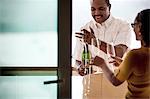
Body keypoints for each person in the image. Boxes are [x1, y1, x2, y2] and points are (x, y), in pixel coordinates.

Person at [73, 0, 136, 98]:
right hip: (91, 87)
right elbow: (77, 60)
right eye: (93, 9)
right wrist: (79, 68)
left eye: (101, 9)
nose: (96, 13)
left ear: (109, 7)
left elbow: (119, 53)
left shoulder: (123, 26)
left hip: (116, 86)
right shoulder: (85, 29)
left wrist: (94, 41)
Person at [92, 9, 150, 99]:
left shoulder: (134, 55)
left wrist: (102, 64)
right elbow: (141, 72)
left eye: (134, 25)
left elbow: (115, 81)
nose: (133, 28)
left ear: (140, 27)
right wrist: (124, 63)